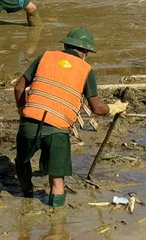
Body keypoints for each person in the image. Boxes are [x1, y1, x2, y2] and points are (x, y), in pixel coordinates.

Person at [13, 28, 128, 207]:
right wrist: (113, 108)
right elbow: (97, 108)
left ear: (65, 45)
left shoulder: (45, 57)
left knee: (22, 162)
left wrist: (22, 112)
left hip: (30, 123)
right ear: (86, 52)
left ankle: (26, 197)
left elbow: (19, 88)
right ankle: (56, 222)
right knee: (57, 181)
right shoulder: (85, 70)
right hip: (57, 130)